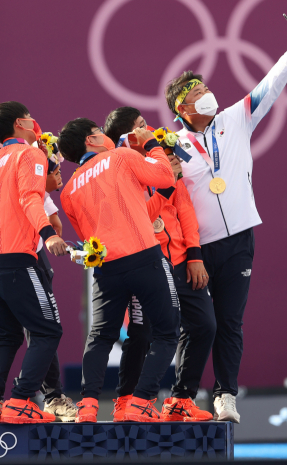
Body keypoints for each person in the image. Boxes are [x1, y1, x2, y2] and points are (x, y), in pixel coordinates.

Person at [167, 19, 287, 423]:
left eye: (206, 88)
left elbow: (270, 85)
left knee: (230, 322)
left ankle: (226, 395)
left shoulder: (235, 119)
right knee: (197, 326)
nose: (208, 94)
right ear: (182, 109)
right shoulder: (172, 145)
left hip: (239, 239)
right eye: (197, 93)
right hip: (197, 247)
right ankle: (182, 398)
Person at [58, 118, 178, 423]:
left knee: (99, 337)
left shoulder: (68, 191)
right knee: (166, 333)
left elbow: (90, 236)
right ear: (93, 140)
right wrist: (151, 143)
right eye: (100, 132)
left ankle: (87, 407)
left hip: (106, 268)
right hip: (143, 256)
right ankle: (140, 402)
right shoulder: (122, 157)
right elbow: (165, 177)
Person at [0, 104, 77, 422]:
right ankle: (20, 402)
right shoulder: (29, 155)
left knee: (6, 334)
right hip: (15, 257)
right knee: (47, 331)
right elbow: (30, 196)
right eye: (29, 115)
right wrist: (48, 233)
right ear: (20, 122)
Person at [104, 107, 215, 422]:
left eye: (144, 123)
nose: (148, 128)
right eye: (140, 126)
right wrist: (166, 186)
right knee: (142, 333)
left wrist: (194, 254)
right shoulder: (119, 169)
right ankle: (128, 401)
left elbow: (185, 207)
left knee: (205, 325)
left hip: (180, 259)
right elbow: (137, 218)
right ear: (126, 137)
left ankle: (181, 399)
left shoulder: (165, 156)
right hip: (147, 261)